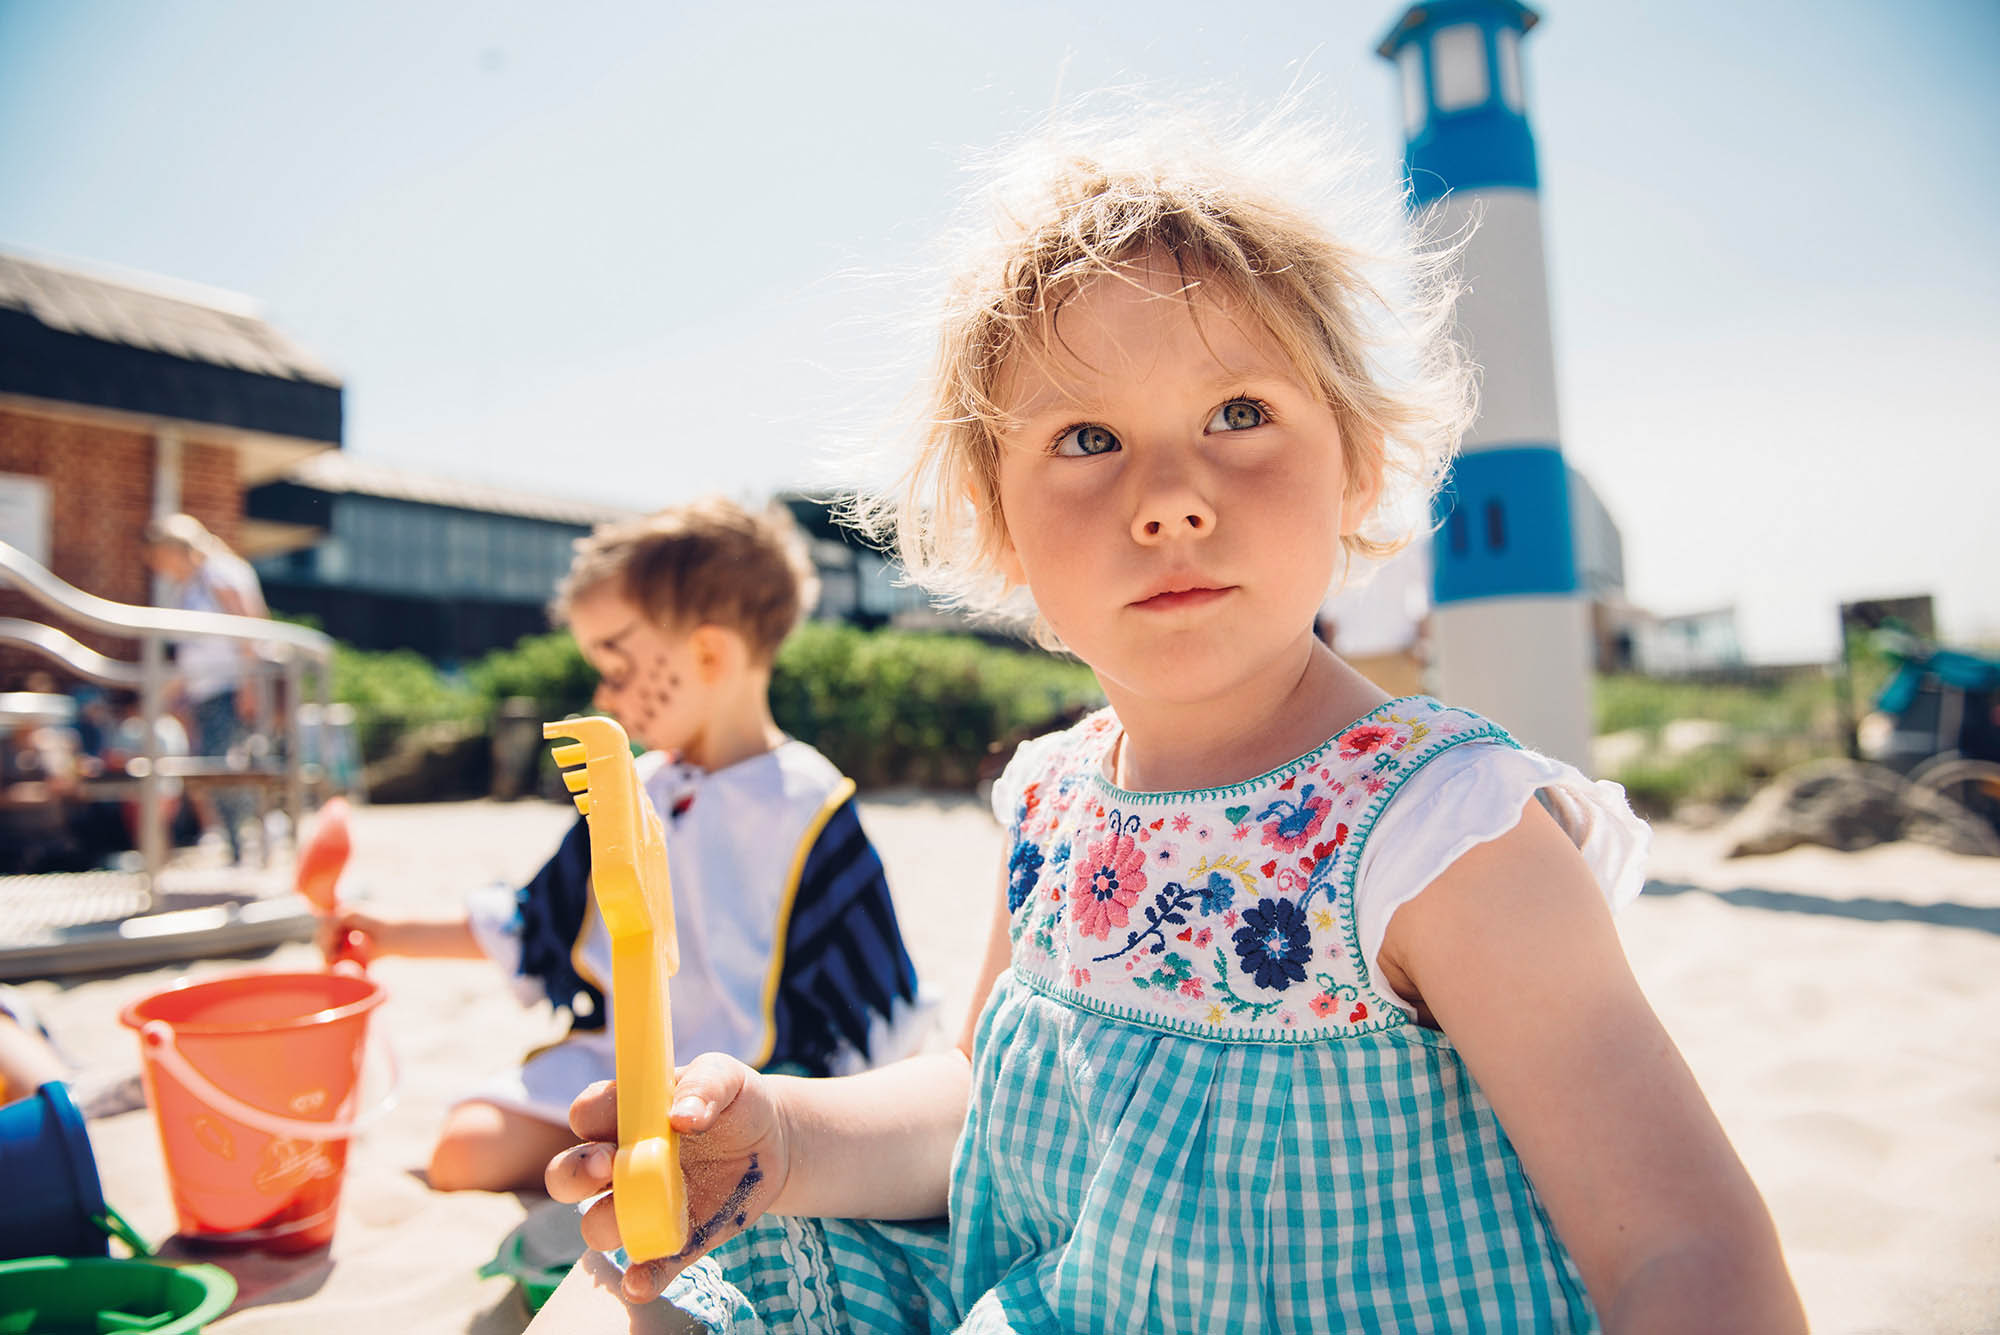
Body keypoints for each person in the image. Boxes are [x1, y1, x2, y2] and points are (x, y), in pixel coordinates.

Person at [540, 108, 1806, 1333]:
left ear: (1360, 461)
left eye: (1238, 416)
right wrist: (781, 1136)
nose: (1170, 501)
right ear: (999, 522)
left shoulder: (1441, 835)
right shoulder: (1048, 799)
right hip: (1026, 1297)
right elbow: (982, 1103)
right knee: (623, 1289)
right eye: (1087, 437)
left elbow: (1687, 1252)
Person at [325, 498, 930, 1193]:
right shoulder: (628, 785)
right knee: (464, 1151)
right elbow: (538, 917)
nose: (604, 691)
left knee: (723, 1160)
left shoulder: (810, 801)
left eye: (616, 666)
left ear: (709, 652)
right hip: (621, 1065)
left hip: (756, 1081)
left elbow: (865, 991)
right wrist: (389, 932)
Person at [141, 513, 268, 865]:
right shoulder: (191, 584)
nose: (156, 566)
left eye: (158, 556)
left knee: (225, 766)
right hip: (205, 691)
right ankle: (236, 844)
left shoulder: (219, 573)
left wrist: (249, 686)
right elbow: (193, 654)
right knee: (213, 768)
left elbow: (249, 631)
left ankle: (247, 841)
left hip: (228, 688)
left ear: (174, 550)